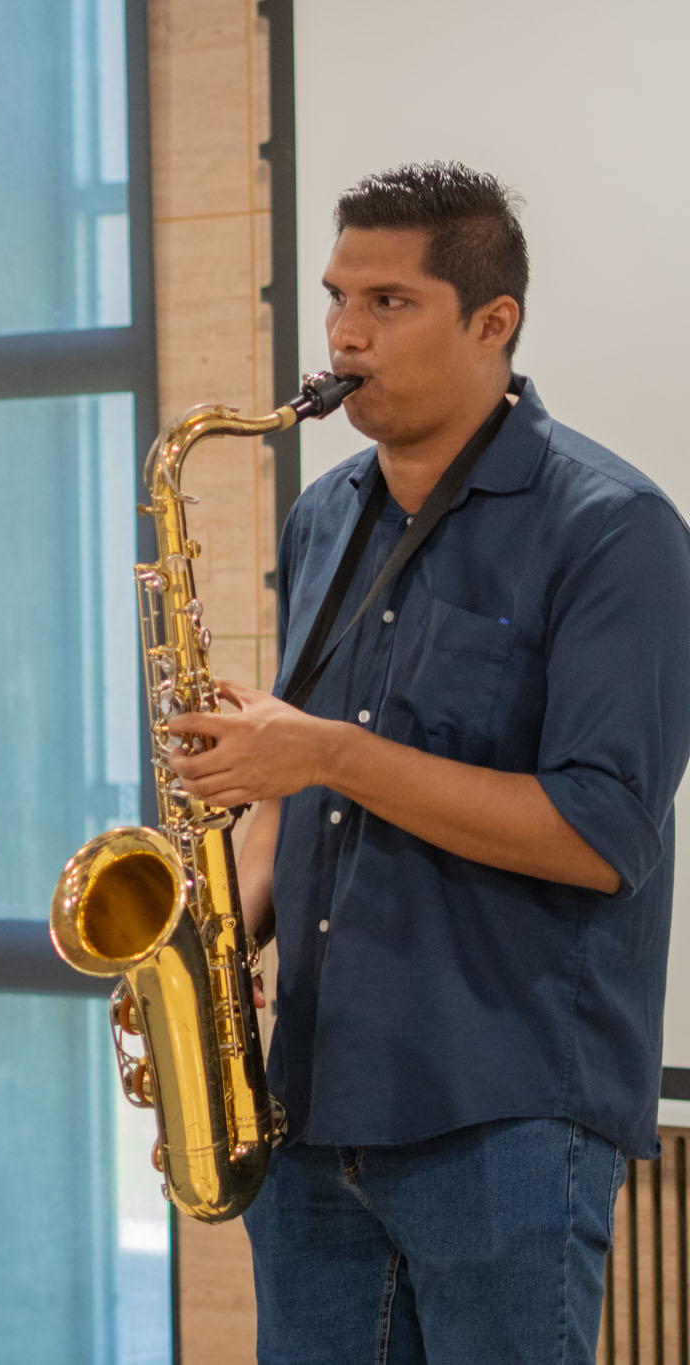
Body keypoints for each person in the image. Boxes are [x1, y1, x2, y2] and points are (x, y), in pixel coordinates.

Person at [165, 162, 690, 1362]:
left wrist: (329, 755)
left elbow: (601, 836)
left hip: (502, 1120)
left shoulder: (611, 529)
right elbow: (298, 791)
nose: (344, 333)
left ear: (491, 323)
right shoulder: (324, 513)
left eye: (388, 303)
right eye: (334, 296)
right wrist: (206, 943)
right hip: (309, 1109)